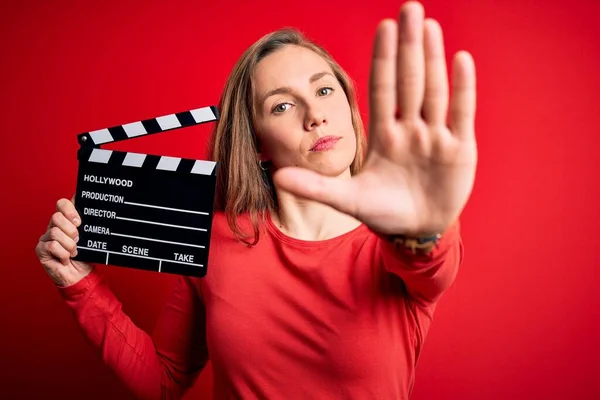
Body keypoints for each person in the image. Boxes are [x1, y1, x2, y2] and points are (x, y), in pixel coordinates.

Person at [35, 1, 477, 399]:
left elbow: (431, 263)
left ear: (348, 104)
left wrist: (423, 226)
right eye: (282, 106)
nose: (315, 114)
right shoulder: (214, 240)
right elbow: (164, 381)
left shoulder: (396, 247)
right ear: (259, 142)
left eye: (324, 90)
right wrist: (79, 283)